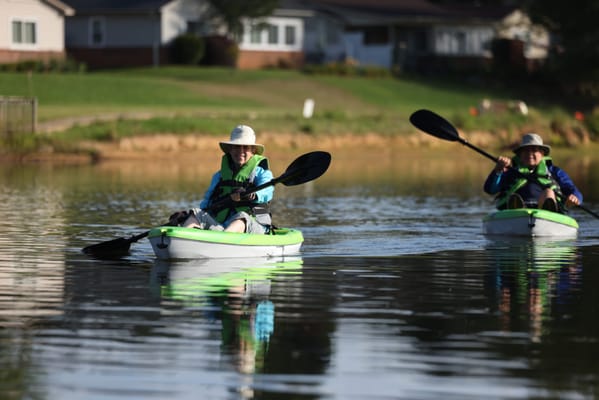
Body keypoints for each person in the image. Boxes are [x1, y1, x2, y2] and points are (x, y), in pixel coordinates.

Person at [177, 124, 274, 233]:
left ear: (253, 151)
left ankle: (222, 242)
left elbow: (267, 191)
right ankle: (182, 235)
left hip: (254, 224)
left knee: (241, 217)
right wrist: (187, 216)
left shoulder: (263, 174)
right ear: (230, 150)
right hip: (223, 226)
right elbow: (206, 204)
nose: (240, 151)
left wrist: (252, 194)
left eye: (245, 147)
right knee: (196, 213)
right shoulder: (219, 176)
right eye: (237, 147)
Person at [483, 133, 582, 212]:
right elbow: (490, 189)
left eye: (534, 150)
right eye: (526, 150)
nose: (530, 154)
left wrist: (575, 197)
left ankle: (547, 211)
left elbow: (572, 189)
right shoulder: (510, 171)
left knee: (549, 192)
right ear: (520, 155)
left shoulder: (554, 171)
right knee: (514, 197)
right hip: (515, 211)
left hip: (547, 214)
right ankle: (517, 212)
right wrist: (497, 171)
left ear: (542, 154)